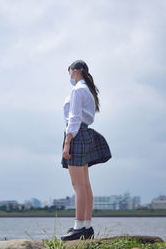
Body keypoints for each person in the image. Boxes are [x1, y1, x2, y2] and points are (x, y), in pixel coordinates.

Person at [61, 60, 112, 241]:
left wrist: (67, 142)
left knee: (78, 185)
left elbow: (74, 118)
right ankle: (87, 226)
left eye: (69, 73)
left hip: (76, 135)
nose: (69, 77)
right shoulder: (88, 89)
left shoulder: (77, 90)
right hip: (85, 134)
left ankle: (78, 226)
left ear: (75, 71)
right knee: (85, 184)